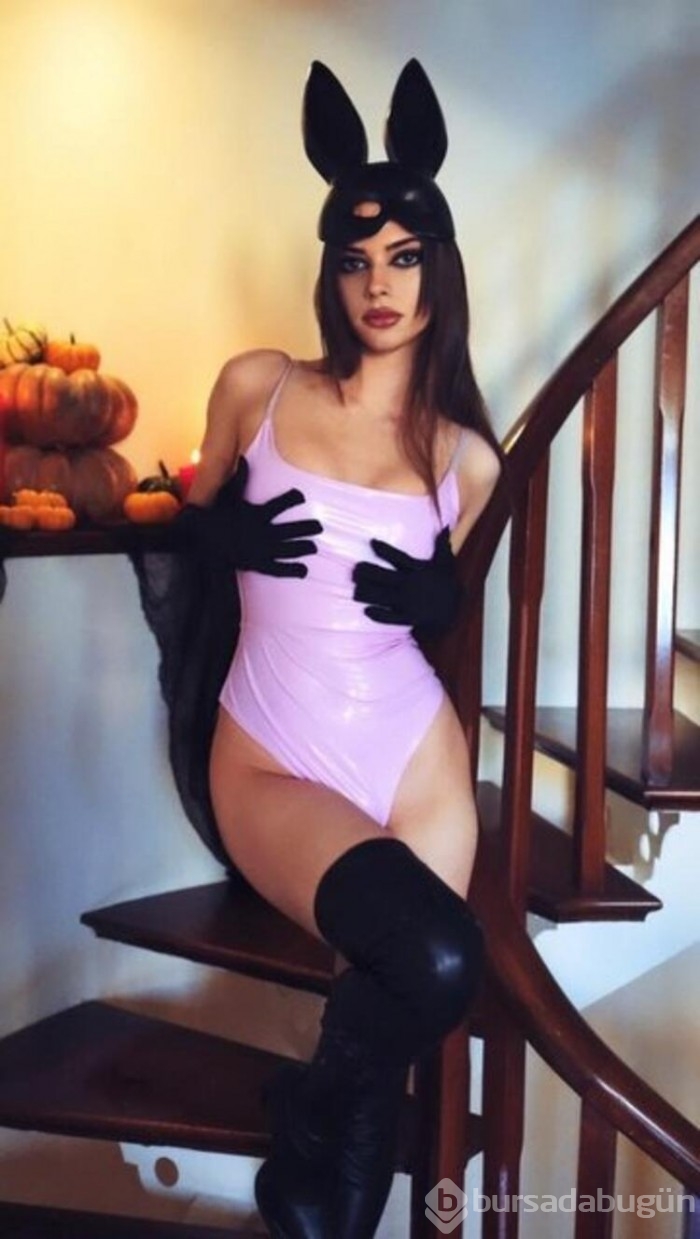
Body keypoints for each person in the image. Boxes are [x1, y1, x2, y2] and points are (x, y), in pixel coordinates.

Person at [176, 59, 502, 1239]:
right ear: (330, 271)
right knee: (437, 964)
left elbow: (448, 609)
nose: (379, 284)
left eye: (404, 257)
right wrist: (217, 532)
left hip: (411, 753)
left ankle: (315, 1170)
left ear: (437, 270)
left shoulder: (466, 456)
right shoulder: (259, 385)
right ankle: (305, 1112)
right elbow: (186, 520)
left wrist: (440, 597)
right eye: (356, 259)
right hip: (272, 752)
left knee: (397, 1013)